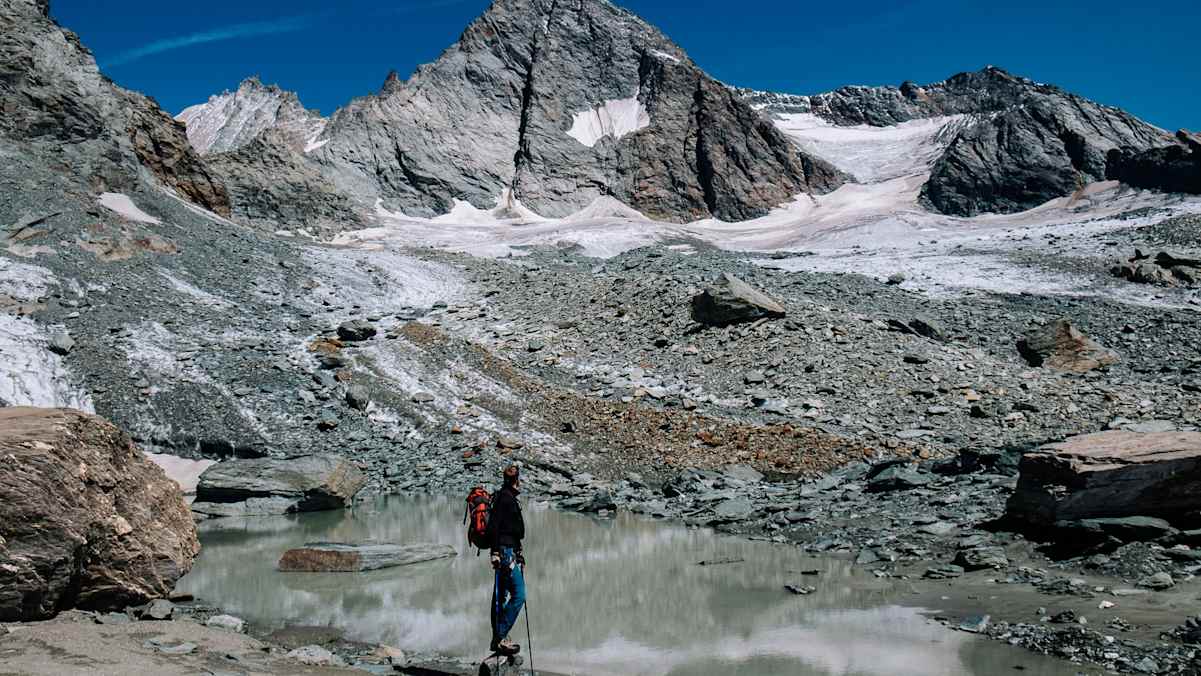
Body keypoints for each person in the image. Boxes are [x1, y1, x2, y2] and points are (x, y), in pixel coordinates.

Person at [486, 464, 526, 656]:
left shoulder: (507, 497)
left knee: (500, 596)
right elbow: (495, 526)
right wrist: (495, 552)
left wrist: (519, 554)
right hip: (504, 553)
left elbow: (512, 530)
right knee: (519, 595)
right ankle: (500, 636)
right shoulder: (505, 498)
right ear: (516, 480)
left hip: (508, 552)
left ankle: (499, 637)